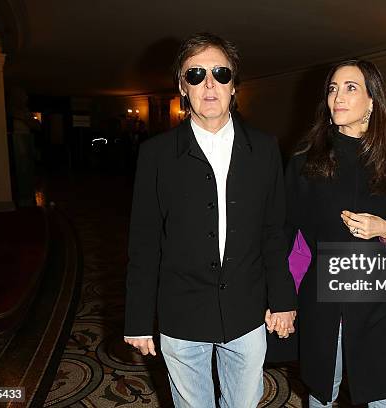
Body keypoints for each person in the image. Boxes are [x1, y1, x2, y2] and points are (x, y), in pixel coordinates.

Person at [123, 32, 297, 408]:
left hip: (247, 310)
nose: (210, 84)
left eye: (220, 73)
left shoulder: (265, 149)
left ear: (234, 84)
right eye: (196, 74)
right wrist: (138, 319)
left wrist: (283, 299)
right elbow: (145, 240)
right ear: (182, 88)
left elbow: (274, 232)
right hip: (181, 313)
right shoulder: (156, 155)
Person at [284, 59, 386, 407]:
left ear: (373, 101)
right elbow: (293, 241)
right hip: (324, 304)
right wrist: (282, 301)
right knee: (321, 394)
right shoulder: (306, 162)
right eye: (333, 88)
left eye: (350, 88)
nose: (338, 97)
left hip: (382, 306)